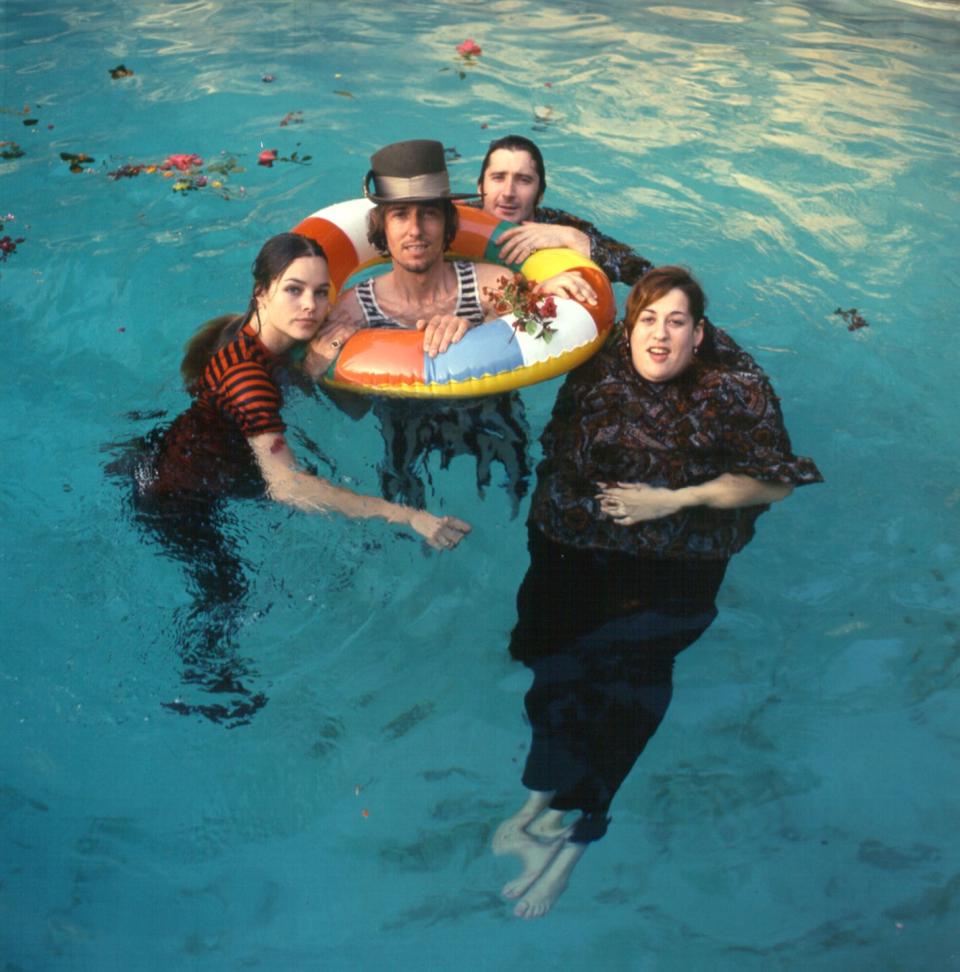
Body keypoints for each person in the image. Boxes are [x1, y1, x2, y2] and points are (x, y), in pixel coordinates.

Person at [493, 266, 823, 918]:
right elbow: (525, 319)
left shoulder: (736, 389)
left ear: (699, 335)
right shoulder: (600, 358)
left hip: (673, 567)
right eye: (649, 320)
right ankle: (538, 803)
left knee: (626, 681)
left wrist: (672, 501)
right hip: (573, 546)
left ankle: (579, 832)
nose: (660, 336)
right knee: (547, 660)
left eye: (676, 323)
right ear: (629, 326)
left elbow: (776, 482)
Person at [115, 233, 470, 727]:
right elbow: (288, 488)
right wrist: (403, 514)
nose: (312, 306)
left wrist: (315, 370)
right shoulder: (249, 380)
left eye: (322, 292)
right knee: (227, 593)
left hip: (189, 450)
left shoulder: (254, 338)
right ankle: (205, 690)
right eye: (294, 290)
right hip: (177, 495)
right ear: (261, 292)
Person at [308, 139, 595, 512]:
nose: (415, 230)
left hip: (495, 427)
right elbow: (352, 409)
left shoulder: (493, 285)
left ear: (447, 223)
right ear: (381, 227)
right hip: (403, 438)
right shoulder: (354, 310)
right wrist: (318, 362)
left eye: (428, 214)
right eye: (400, 215)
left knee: (517, 503)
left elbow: (543, 321)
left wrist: (547, 295)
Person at [476, 134, 653, 284]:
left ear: (540, 195)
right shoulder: (453, 219)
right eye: (498, 177)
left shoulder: (559, 224)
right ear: (480, 187)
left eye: (524, 180)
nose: (508, 192)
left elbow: (645, 273)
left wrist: (573, 238)